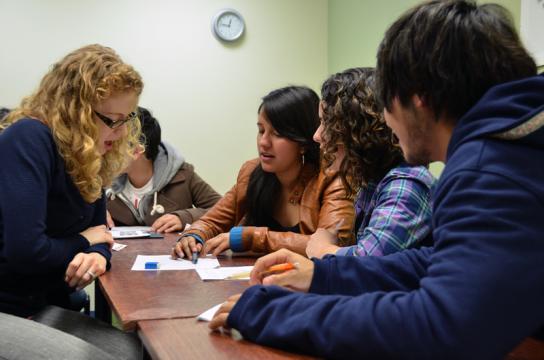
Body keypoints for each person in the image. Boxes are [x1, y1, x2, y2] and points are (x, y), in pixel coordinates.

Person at [209, 1, 544, 358]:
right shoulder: (512, 151)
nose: (384, 118)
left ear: (419, 98)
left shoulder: (487, 170)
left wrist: (276, 313)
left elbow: (440, 327)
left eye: (386, 100)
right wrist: (323, 277)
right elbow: (437, 260)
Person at [0, 44, 142, 318]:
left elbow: (101, 233)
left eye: (127, 119)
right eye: (113, 120)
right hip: (10, 310)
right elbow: (28, 253)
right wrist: (83, 240)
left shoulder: (88, 155)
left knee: (129, 346)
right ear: (78, 112)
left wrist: (99, 255)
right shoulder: (28, 138)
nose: (123, 131)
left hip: (47, 302)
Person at [172, 86, 354, 259]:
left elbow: (331, 246)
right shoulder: (251, 171)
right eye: (261, 130)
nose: (263, 142)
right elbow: (211, 221)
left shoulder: (333, 178)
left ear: (303, 142)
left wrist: (251, 238)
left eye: (277, 134)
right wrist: (194, 236)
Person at [306, 67, 434, 259]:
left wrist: (322, 248)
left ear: (355, 129)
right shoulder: (373, 180)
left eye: (326, 123)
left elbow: (368, 262)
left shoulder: (405, 183)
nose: (317, 136)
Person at [106, 106, 221, 233]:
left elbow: (223, 210)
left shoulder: (182, 174)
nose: (108, 148)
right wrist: (97, 214)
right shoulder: (101, 176)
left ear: (137, 150)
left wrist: (184, 217)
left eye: (116, 142)